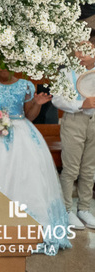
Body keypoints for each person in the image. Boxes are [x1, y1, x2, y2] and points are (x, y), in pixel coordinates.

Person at [0, 70, 71, 254]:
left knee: (27, 176)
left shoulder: (25, 85)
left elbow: (29, 116)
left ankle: (31, 226)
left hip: (22, 133)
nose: (0, 69)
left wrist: (36, 103)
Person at [52, 35, 95, 231]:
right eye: (77, 51)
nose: (80, 55)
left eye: (85, 51)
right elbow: (57, 100)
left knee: (89, 168)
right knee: (70, 168)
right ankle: (66, 209)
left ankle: (84, 208)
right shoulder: (66, 73)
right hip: (74, 121)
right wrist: (81, 104)